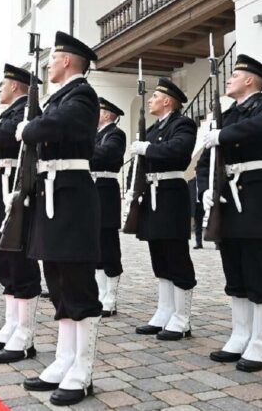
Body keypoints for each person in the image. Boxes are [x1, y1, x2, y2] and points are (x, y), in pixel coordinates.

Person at [18, 31, 102, 407]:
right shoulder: (61, 96)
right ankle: (65, 357)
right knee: (57, 279)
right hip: (51, 192)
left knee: (77, 283)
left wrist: (27, 128)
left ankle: (82, 369)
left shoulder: (81, 94)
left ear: (68, 60)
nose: (49, 63)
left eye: (53, 57)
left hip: (71, 195)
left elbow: (52, 128)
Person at [196, 54, 262, 372]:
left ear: (250, 80)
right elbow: (207, 158)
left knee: (257, 270)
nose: (228, 79)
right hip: (225, 197)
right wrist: (205, 187)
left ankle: (261, 343)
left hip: (253, 196)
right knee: (233, 269)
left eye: (234, 75)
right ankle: (240, 335)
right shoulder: (227, 114)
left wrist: (222, 134)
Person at [0, 64, 42, 363]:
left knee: (19, 258)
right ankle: (11, 324)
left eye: (3, 84)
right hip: (2, 187)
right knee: (4, 257)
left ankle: (25, 333)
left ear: (16, 86)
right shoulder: (10, 113)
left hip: (17, 187)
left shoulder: (24, 112)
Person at [131, 78, 197, 341]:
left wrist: (148, 148)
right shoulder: (152, 129)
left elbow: (179, 150)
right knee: (159, 256)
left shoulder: (183, 124)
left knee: (176, 256)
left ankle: (182, 318)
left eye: (155, 96)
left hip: (170, 195)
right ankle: (165, 311)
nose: (150, 100)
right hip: (151, 195)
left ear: (168, 101)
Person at [91, 97, 126, 318]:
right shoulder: (96, 136)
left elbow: (107, 154)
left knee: (108, 245)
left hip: (105, 190)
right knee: (95, 245)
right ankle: (99, 293)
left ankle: (110, 296)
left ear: (106, 114)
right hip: (92, 189)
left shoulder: (115, 134)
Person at [188, 177, 204, 249]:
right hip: (196, 206)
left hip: (205, 204)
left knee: (212, 223)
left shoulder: (204, 180)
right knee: (198, 226)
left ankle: (217, 243)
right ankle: (199, 243)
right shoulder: (190, 182)